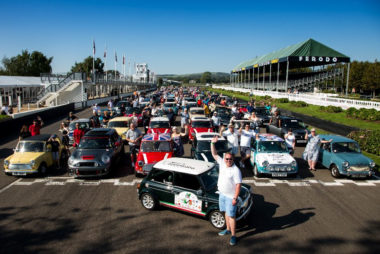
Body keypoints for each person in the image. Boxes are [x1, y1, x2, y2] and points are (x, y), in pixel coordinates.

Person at [210, 136, 242, 246]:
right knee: (225, 213)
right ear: (225, 159)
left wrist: (235, 198)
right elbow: (214, 154)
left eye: (230, 159)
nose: (228, 161)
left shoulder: (236, 170)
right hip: (222, 194)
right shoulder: (222, 163)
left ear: (233, 160)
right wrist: (213, 143)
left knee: (232, 216)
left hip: (230, 197)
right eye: (227, 159)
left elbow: (238, 185)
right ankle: (227, 229)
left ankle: (233, 236)